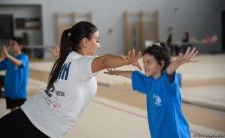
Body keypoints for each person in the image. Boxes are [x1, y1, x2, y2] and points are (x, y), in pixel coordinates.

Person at [0, 21, 141, 138]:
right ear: (85, 41)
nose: (99, 45)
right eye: (97, 41)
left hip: (30, 113)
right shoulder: (81, 63)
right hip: (41, 126)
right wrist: (126, 60)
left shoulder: (70, 58)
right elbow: (104, 61)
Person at [105, 42, 198, 138]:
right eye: (144, 62)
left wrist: (178, 62)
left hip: (176, 134)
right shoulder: (148, 82)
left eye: (149, 62)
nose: (145, 65)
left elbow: (170, 69)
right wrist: (116, 72)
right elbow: (134, 75)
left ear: (161, 63)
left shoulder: (166, 81)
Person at [0, 37, 29, 111]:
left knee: (22, 115)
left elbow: (20, 64)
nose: (11, 46)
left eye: (13, 44)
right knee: (13, 114)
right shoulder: (8, 57)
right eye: (10, 44)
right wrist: (2, 57)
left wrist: (8, 56)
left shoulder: (24, 57)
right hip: (9, 91)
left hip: (20, 93)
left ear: (20, 46)